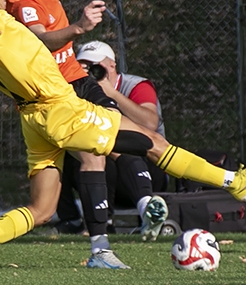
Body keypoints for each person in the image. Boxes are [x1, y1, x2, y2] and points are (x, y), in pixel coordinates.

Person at [0, 0, 246, 273]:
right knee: (152, 142)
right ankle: (234, 182)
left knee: (42, 210)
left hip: (32, 118)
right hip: (61, 109)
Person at [4, 0, 162, 267]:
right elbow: (41, 40)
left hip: (76, 83)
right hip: (55, 97)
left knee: (115, 143)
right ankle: (115, 235)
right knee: (53, 198)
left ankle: (135, 216)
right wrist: (79, 27)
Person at [66, 40, 170, 236]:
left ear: (112, 66)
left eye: (96, 67)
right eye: (84, 66)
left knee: (112, 149)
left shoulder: (136, 85)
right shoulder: (79, 91)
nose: (90, 72)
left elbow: (150, 123)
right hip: (106, 170)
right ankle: (75, 222)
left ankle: (147, 208)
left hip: (148, 165)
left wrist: (111, 94)